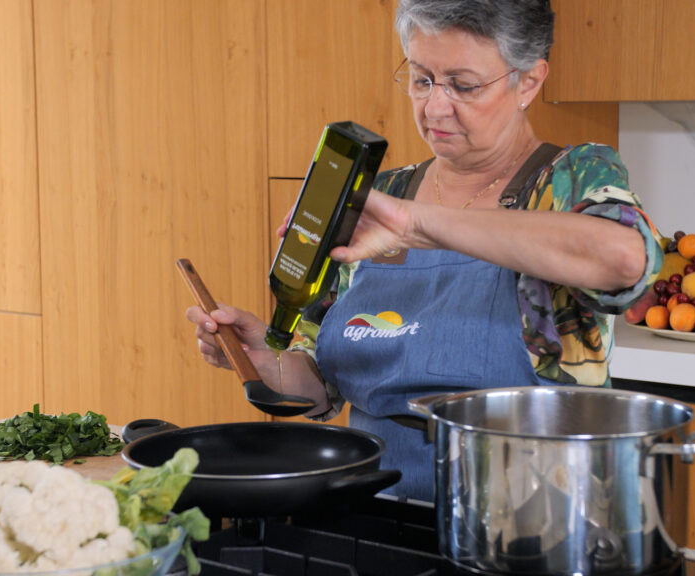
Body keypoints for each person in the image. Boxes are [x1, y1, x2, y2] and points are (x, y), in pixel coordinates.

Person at [186, 0, 663, 502]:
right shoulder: (384, 192)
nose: (435, 107)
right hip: (373, 505)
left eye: (464, 85)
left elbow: (625, 261)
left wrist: (420, 225)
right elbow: (324, 382)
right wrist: (266, 360)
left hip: (530, 517)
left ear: (528, 81)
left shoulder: (571, 179)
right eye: (421, 79)